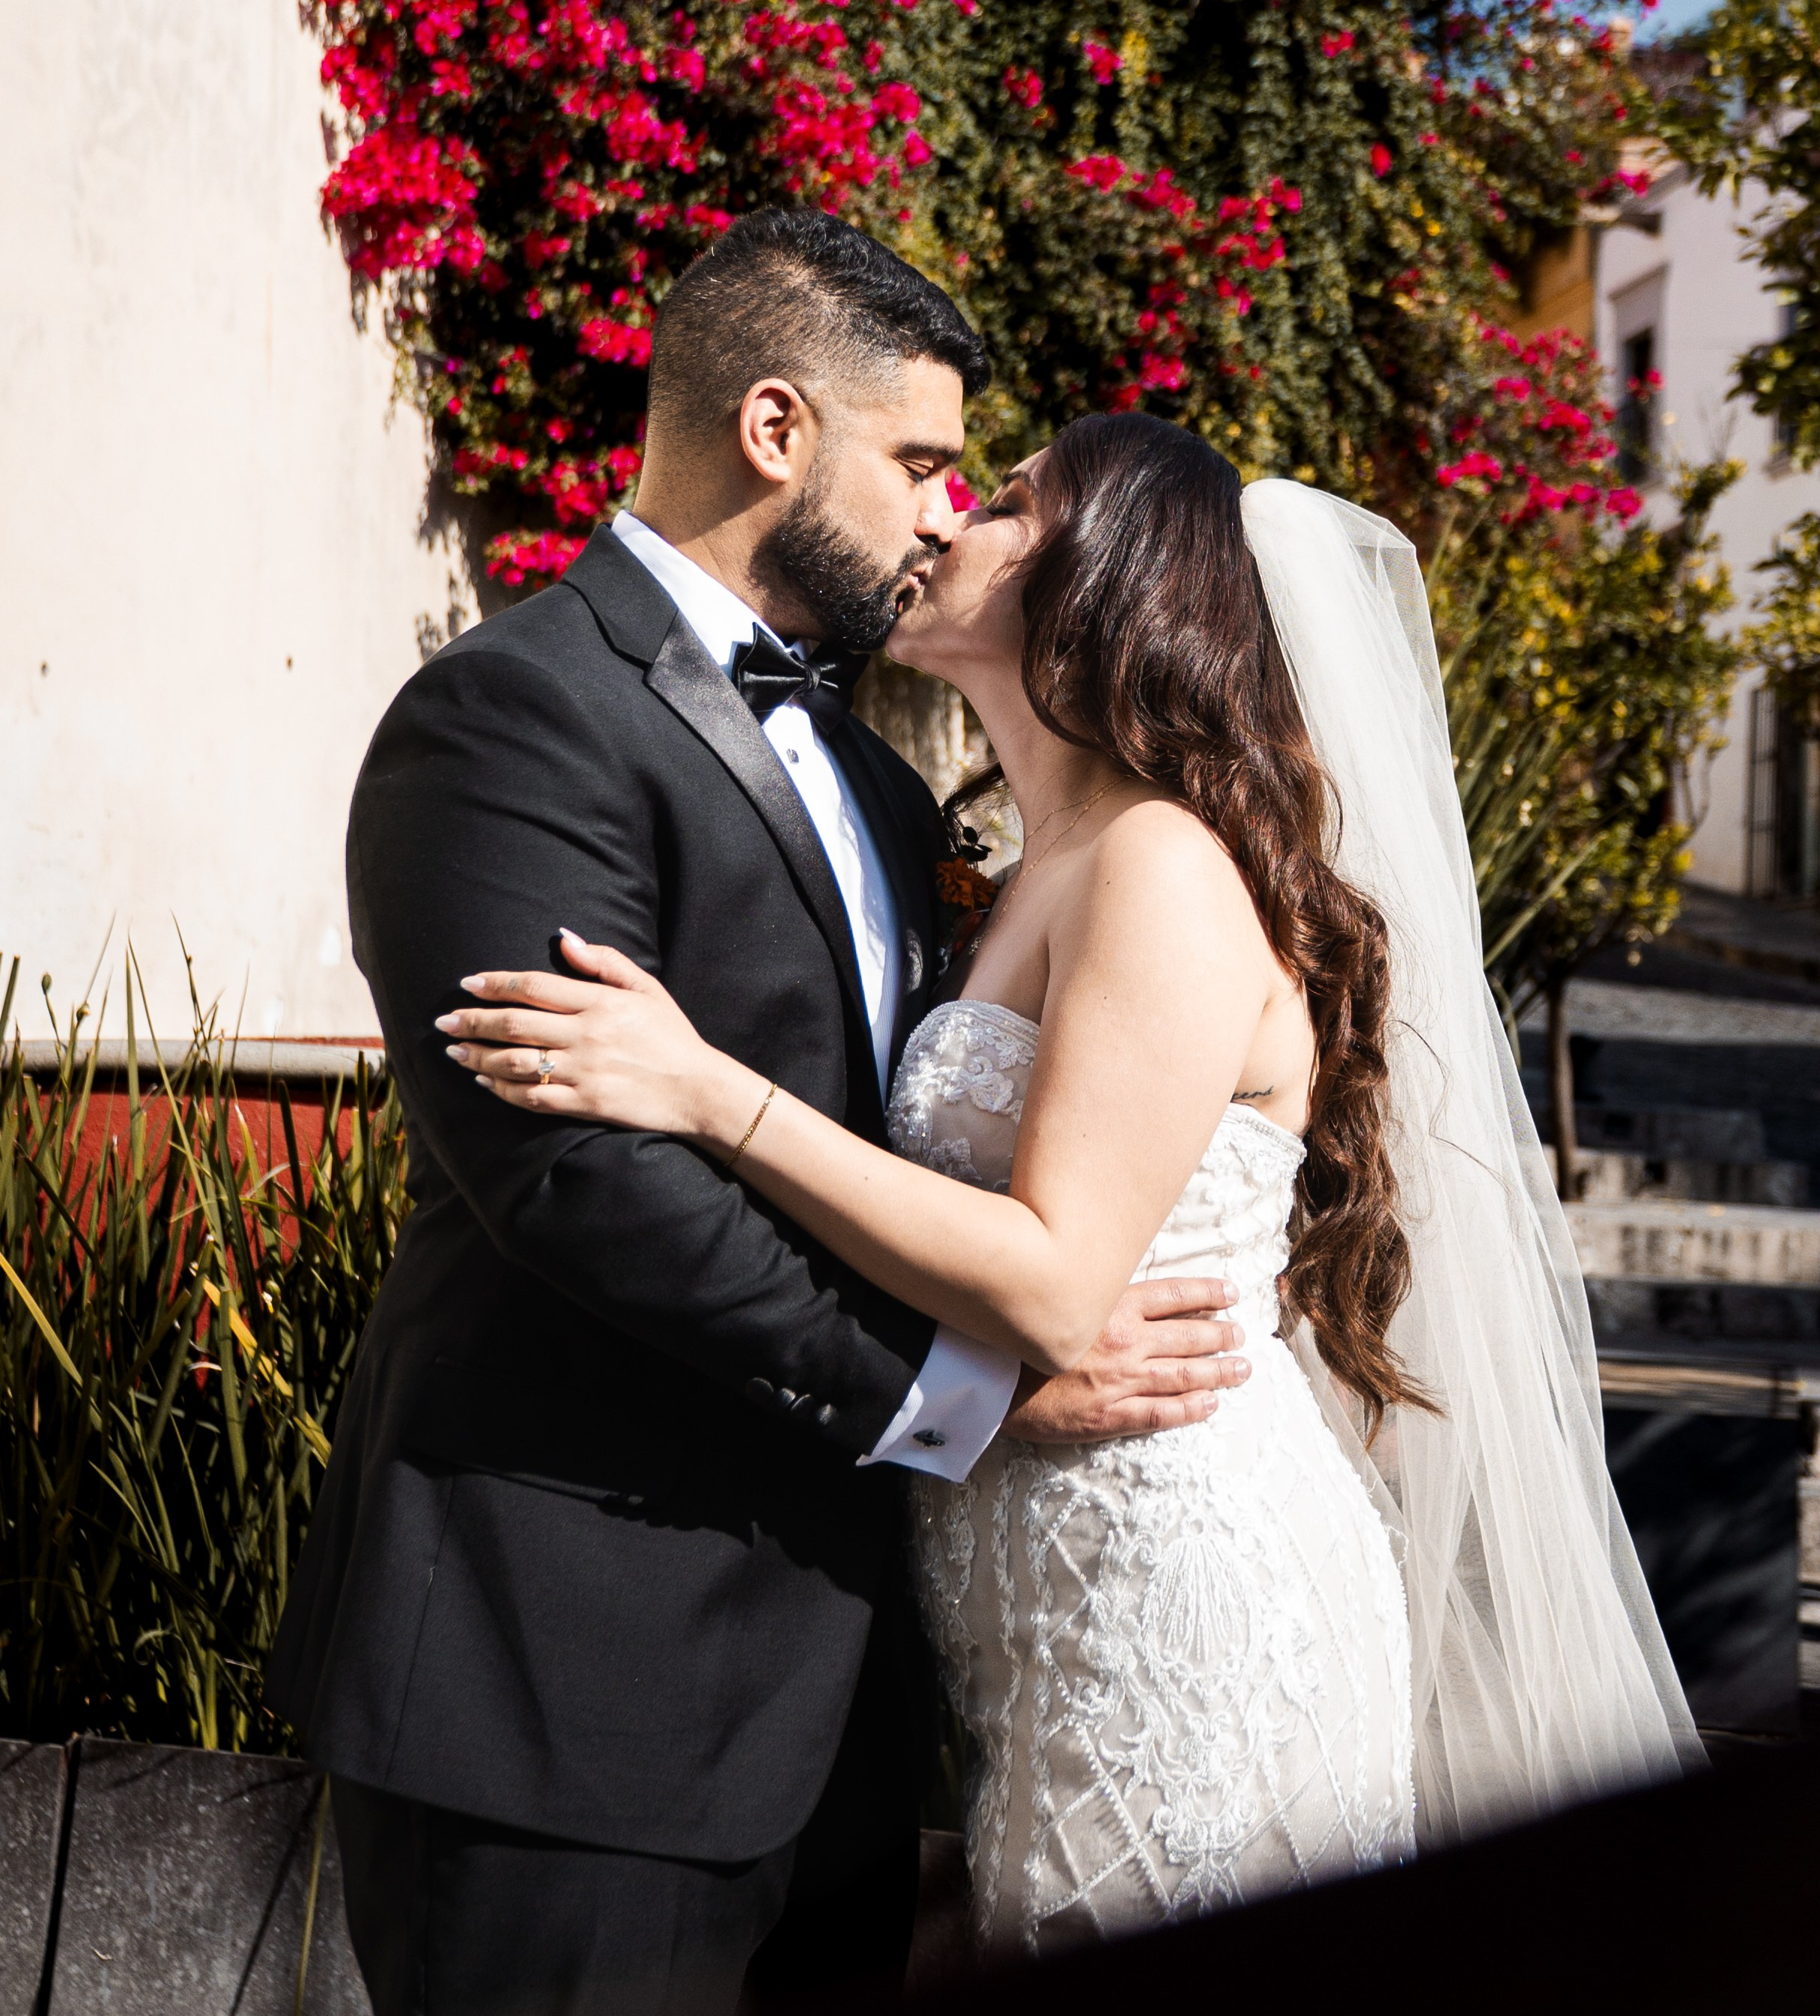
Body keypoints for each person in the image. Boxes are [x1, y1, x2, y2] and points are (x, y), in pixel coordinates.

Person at [449, 411, 1705, 1958]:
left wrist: (709, 1093)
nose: (948, 519)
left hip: (1178, 1596)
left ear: (1108, 575)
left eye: (1008, 502)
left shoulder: (1160, 862)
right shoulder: (1024, 863)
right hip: (1052, 1592)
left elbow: (1053, 1281)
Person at [268, 218, 1249, 2016]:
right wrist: (963, 1397)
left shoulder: (884, 782)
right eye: (923, 461)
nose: (944, 514)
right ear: (778, 430)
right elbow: (576, 1183)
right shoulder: (510, 718)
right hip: (566, 1683)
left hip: (844, 1705)